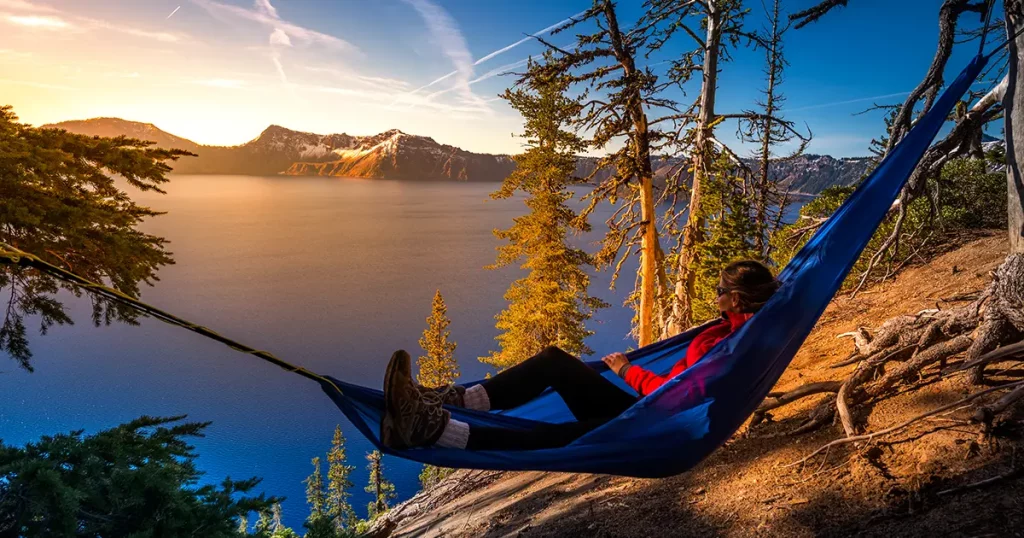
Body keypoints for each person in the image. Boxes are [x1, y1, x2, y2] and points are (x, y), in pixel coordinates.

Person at [381, 260, 780, 452]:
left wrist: (627, 371)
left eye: (721, 289)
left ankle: (428, 430)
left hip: (656, 424)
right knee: (555, 360)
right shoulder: (736, 330)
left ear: (738, 299)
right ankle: (455, 400)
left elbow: (680, 395)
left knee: (551, 438)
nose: (716, 294)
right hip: (650, 410)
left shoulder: (730, 348)